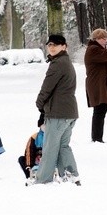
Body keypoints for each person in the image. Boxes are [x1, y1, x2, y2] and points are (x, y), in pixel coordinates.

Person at [30, 34, 80, 186]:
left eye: (55, 45)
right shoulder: (65, 62)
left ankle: (42, 180)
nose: (51, 47)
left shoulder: (57, 64)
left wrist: (39, 104)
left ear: (64, 47)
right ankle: (71, 175)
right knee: (63, 146)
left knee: (50, 147)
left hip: (58, 113)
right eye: (49, 44)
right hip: (69, 112)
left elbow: (47, 88)